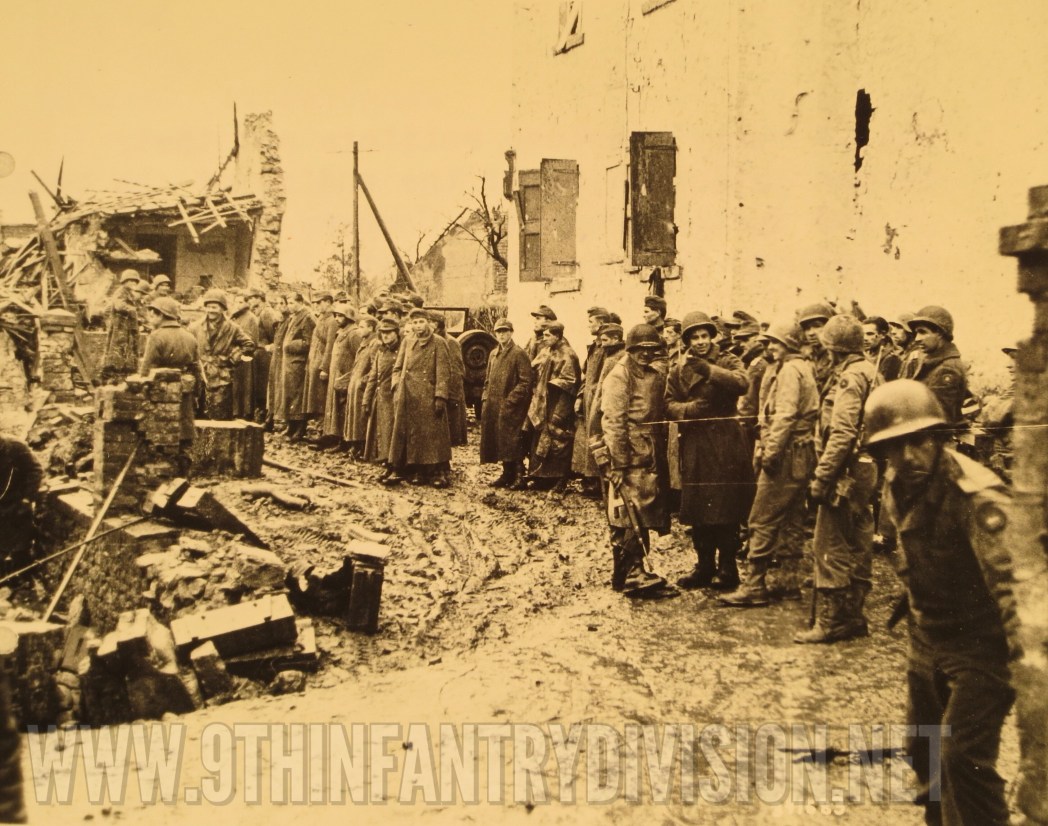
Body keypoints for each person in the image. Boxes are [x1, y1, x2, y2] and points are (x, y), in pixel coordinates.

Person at [864, 380, 1020, 826]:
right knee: (923, 748)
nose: (909, 456)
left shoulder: (977, 496)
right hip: (928, 631)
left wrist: (1029, 663)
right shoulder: (896, 481)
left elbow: (1012, 585)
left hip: (982, 645)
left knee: (962, 758)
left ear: (939, 438)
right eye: (895, 447)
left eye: (920, 442)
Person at [795, 314, 879, 643]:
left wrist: (822, 476)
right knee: (859, 539)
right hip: (865, 467)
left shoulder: (850, 378)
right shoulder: (870, 371)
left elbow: (842, 433)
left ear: (835, 349)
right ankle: (854, 615)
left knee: (829, 542)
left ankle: (832, 621)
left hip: (845, 469)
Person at [720, 323, 818, 606]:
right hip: (801, 453)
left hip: (786, 453)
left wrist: (770, 454)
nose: (770, 347)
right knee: (792, 519)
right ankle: (788, 583)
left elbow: (784, 416)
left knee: (760, 518)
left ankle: (754, 586)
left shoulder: (789, 371)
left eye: (776, 342)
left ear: (789, 344)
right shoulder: (802, 367)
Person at [667, 311, 755, 590]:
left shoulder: (727, 360)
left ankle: (728, 568)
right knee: (699, 509)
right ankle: (704, 566)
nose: (701, 341)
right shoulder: (679, 368)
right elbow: (668, 403)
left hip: (726, 443)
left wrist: (708, 370)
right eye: (694, 337)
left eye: (705, 335)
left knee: (727, 507)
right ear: (687, 341)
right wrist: (690, 410)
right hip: (696, 443)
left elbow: (742, 383)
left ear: (712, 336)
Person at [591, 324, 672, 596]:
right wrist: (617, 464)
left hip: (646, 452)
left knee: (638, 511)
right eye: (640, 349)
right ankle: (633, 574)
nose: (646, 354)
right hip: (628, 454)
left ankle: (625, 573)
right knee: (627, 512)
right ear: (630, 349)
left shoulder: (650, 373)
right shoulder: (620, 375)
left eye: (651, 349)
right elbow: (613, 423)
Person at [389, 308, 453, 487]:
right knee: (412, 433)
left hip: (428, 395)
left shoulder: (439, 342)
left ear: (428, 323)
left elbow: (444, 372)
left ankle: (437, 472)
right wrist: (396, 386)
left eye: (421, 322)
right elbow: (397, 367)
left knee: (432, 435)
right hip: (407, 395)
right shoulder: (407, 341)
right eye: (414, 323)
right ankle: (416, 470)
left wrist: (440, 396)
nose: (418, 326)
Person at [141, 296, 202, 463]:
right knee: (185, 429)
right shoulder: (190, 337)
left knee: (162, 429)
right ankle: (183, 465)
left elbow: (146, 367)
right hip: (185, 390)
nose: (150, 317)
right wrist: (196, 393)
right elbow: (196, 367)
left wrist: (141, 389)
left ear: (161, 315)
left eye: (153, 314)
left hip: (161, 390)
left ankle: (164, 461)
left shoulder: (156, 336)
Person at [525, 321, 580, 490]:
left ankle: (559, 479)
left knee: (558, 441)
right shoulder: (546, 351)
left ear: (557, 336)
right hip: (542, 402)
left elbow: (570, 386)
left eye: (548, 335)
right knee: (539, 438)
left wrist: (560, 412)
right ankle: (541, 476)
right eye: (544, 335)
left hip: (557, 403)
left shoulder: (568, 355)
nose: (545, 338)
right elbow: (534, 367)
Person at [479, 319, 533, 489]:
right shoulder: (493, 354)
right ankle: (506, 473)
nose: (502, 335)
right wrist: (485, 398)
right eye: (499, 331)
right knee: (499, 439)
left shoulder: (518, 353)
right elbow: (488, 379)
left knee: (512, 440)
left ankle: (519, 476)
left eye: (505, 331)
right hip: (494, 405)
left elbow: (525, 382)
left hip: (512, 407)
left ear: (511, 332)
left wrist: (510, 401)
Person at [572, 306, 612, 496]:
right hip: (588, 399)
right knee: (587, 439)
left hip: (599, 400)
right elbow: (586, 375)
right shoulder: (594, 346)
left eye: (591, 322)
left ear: (601, 323)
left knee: (599, 437)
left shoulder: (606, 347)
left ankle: (599, 482)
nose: (588, 325)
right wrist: (580, 396)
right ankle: (591, 479)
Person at [910, 305, 967, 425]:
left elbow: (938, 419)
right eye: (916, 333)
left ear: (940, 333)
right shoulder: (933, 362)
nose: (917, 338)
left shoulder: (947, 369)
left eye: (922, 332)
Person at [364, 318, 402, 479]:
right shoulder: (381, 351)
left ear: (396, 333)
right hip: (381, 399)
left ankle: (397, 467)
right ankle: (387, 464)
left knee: (394, 434)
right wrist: (366, 399)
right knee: (384, 434)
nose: (385, 336)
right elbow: (373, 377)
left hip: (395, 399)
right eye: (383, 333)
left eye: (389, 332)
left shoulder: (402, 351)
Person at [0, 436, 42, 578]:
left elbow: (35, 470)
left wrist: (27, 498)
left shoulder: (14, 446)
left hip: (16, 505)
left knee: (20, 547)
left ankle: (23, 580)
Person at [320, 303, 361, 449]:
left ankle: (344, 441)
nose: (337, 319)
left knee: (344, 409)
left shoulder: (354, 334)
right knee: (336, 408)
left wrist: (348, 376)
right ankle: (335, 438)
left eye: (340, 316)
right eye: (336, 316)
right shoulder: (341, 332)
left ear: (349, 317)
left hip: (346, 377)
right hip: (336, 377)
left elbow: (359, 357)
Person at [280, 293, 316, 442]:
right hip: (289, 362)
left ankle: (299, 429)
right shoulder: (294, 317)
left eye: (292, 303)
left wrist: (290, 345)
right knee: (289, 395)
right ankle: (291, 426)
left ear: (300, 302)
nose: (289, 306)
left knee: (298, 396)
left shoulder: (307, 317)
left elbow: (309, 342)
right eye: (288, 303)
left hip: (298, 363)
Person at [343, 314, 379, 457]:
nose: (358, 330)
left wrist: (362, 381)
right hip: (355, 386)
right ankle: (354, 445)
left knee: (361, 419)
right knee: (354, 417)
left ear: (371, 328)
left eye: (362, 327)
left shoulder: (375, 343)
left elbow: (375, 368)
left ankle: (361, 447)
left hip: (363, 388)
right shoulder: (364, 342)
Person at [101, 268, 145, 384]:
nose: (133, 283)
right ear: (124, 281)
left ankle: (125, 374)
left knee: (129, 350)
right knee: (118, 350)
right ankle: (114, 376)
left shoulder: (130, 294)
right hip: (120, 328)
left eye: (135, 281)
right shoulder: (120, 292)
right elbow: (119, 305)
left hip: (128, 328)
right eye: (131, 280)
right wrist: (132, 310)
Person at [247, 289, 281, 423]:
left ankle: (267, 417)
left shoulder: (267, 313)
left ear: (259, 299)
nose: (250, 301)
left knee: (264, 387)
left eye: (252, 298)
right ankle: (261, 415)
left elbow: (274, 335)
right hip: (259, 354)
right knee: (259, 387)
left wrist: (270, 347)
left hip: (265, 354)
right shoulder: (259, 312)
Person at [304, 292, 337, 427]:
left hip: (321, 364)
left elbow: (330, 345)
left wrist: (325, 367)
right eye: (315, 303)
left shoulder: (332, 321)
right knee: (314, 397)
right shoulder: (320, 319)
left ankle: (321, 427)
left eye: (319, 302)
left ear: (328, 302)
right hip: (314, 361)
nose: (317, 305)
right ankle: (317, 425)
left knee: (321, 398)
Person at [434, 315, 468, 447]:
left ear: (439, 327)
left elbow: (456, 369)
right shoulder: (435, 341)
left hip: (451, 389)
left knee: (452, 427)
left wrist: (453, 394)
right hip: (442, 387)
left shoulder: (451, 342)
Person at [798, 302, 835, 392]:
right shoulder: (807, 358)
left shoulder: (838, 357)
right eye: (807, 328)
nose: (810, 333)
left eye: (817, 326)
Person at [862, 315, 902, 382]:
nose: (865, 338)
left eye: (870, 334)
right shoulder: (867, 353)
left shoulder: (891, 359)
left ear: (883, 334)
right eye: (863, 334)